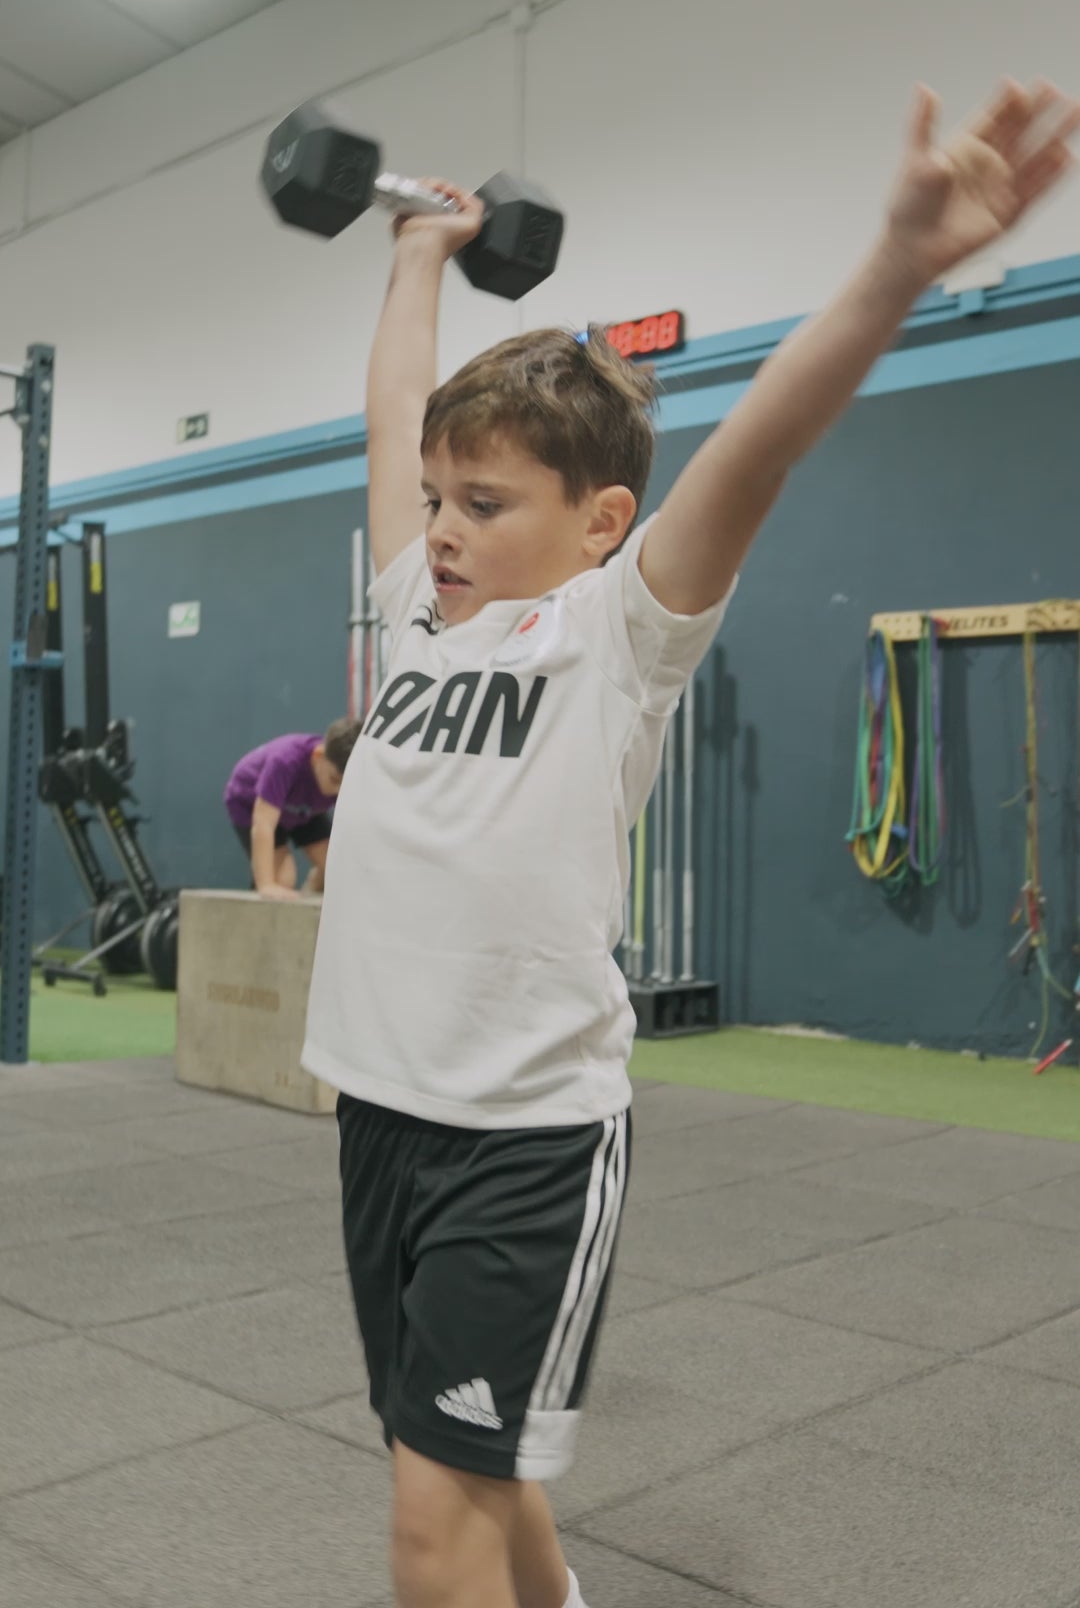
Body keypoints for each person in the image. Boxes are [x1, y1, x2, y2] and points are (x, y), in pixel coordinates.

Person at [302, 78, 1078, 1608]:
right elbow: (399, 413)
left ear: (599, 521)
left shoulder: (615, 631)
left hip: (521, 1137)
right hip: (377, 1112)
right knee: (470, 1456)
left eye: (484, 502)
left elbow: (762, 449)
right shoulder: (411, 603)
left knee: (429, 1523)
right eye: (438, 500)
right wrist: (414, 262)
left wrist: (900, 267)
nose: (441, 525)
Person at [224, 721, 361, 900]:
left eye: (344, 785)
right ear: (318, 756)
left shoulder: (337, 776)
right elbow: (263, 823)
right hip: (252, 803)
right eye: (334, 780)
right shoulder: (285, 761)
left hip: (303, 808)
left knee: (336, 869)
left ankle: (309, 895)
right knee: (283, 879)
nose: (338, 791)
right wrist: (266, 884)